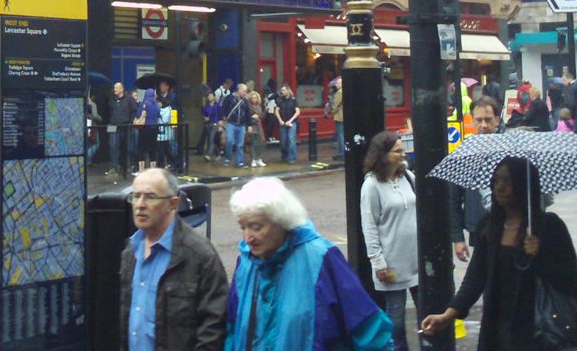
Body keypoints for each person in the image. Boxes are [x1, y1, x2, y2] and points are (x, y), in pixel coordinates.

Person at [421, 157, 577, 350]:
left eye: (507, 181)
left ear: (523, 185)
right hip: (498, 327)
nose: (499, 187)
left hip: (538, 330)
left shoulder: (549, 226)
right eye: (496, 180)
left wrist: (540, 256)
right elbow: (475, 278)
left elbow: (570, 280)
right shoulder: (489, 226)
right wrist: (448, 315)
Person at [226, 177, 393, 351]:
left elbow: (367, 329)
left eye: (256, 227)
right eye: (242, 227)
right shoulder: (246, 263)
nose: (248, 237)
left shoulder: (321, 258)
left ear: (280, 221)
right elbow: (232, 330)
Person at [119, 168, 228, 350]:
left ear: (173, 203)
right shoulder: (130, 251)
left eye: (150, 197)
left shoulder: (199, 255)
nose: (140, 204)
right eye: (136, 196)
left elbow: (213, 327)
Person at [360, 131, 418, 351]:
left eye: (402, 149)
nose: (402, 154)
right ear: (382, 155)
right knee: (396, 318)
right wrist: (378, 262)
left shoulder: (408, 177)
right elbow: (370, 226)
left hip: (415, 258)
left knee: (427, 313)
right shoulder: (372, 186)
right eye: (397, 151)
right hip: (392, 261)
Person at [450, 96, 501, 262]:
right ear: (472, 120)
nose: (483, 125)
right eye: (479, 120)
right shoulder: (464, 154)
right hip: (479, 226)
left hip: (510, 224)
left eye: (488, 119)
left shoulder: (510, 150)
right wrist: (458, 238)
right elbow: (453, 199)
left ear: (497, 120)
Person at [107, 82, 136, 177]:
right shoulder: (111, 99)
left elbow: (134, 111)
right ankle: (114, 167)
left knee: (127, 147)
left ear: (121, 89)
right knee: (112, 146)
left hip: (125, 125)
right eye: (114, 87)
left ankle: (127, 166)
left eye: (116, 88)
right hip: (113, 125)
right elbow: (107, 110)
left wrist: (130, 122)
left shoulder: (129, 99)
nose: (114, 89)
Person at [221, 83, 250, 168]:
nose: (245, 93)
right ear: (239, 90)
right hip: (231, 123)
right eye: (244, 91)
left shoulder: (245, 101)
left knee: (240, 144)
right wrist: (222, 120)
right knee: (229, 141)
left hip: (242, 125)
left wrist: (250, 125)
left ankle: (240, 161)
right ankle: (228, 158)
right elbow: (223, 109)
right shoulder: (229, 98)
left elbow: (248, 113)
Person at [133, 88, 160, 170]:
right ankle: (153, 169)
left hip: (144, 129)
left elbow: (138, 114)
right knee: (153, 150)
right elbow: (158, 115)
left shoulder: (144, 103)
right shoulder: (156, 105)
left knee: (141, 149)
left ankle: (142, 169)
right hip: (154, 129)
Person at [276, 83, 301, 163]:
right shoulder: (280, 99)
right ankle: (284, 155)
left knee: (291, 140)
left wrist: (290, 121)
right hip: (283, 123)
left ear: (287, 90)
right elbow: (276, 111)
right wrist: (280, 120)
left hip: (292, 123)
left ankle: (292, 158)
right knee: (283, 141)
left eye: (283, 90)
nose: (282, 91)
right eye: (281, 90)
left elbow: (297, 111)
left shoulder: (293, 100)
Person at [196, 91, 221, 162]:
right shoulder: (206, 106)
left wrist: (220, 124)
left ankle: (209, 155)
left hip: (215, 124)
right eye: (208, 96)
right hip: (207, 124)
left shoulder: (217, 106)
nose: (209, 97)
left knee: (211, 139)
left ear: (214, 97)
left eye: (211, 95)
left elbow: (220, 116)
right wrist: (205, 118)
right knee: (212, 140)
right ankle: (217, 153)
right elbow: (203, 115)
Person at [246, 91, 266, 168]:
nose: (254, 99)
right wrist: (253, 117)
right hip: (252, 126)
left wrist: (265, 111)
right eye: (252, 98)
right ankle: (253, 159)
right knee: (253, 143)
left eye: (255, 98)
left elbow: (262, 117)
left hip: (259, 127)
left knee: (260, 143)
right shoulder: (248, 107)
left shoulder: (259, 107)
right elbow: (247, 117)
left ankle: (259, 159)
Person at [155, 93, 173, 169]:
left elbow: (165, 120)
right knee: (165, 150)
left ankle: (161, 165)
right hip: (161, 133)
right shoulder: (162, 109)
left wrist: (159, 113)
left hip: (164, 133)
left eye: (158, 102)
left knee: (164, 150)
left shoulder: (167, 109)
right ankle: (172, 163)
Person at [329, 77, 345, 161]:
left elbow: (336, 105)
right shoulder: (346, 91)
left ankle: (342, 153)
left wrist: (332, 112)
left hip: (339, 116)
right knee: (343, 134)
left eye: (337, 83)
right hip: (344, 116)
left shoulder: (339, 93)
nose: (336, 84)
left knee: (340, 135)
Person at [87, 91, 103, 163]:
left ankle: (89, 161)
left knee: (88, 143)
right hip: (92, 126)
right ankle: (87, 158)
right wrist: (101, 118)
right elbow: (95, 116)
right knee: (96, 144)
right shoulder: (92, 104)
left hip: (85, 127)